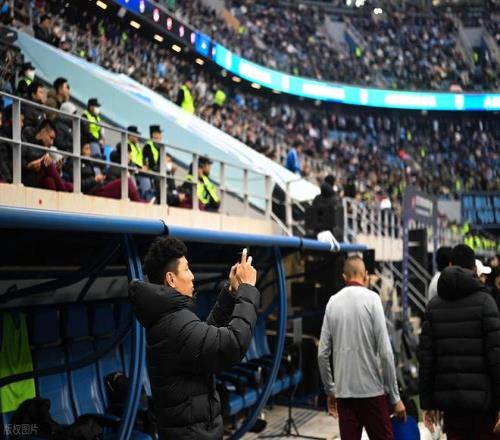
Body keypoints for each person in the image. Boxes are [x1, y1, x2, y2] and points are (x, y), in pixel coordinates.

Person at [129, 238, 260, 439]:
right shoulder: (174, 324)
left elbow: (205, 339)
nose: (192, 276)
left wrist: (231, 294)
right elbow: (233, 344)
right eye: (187, 269)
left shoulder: (171, 318)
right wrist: (247, 288)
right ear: (171, 279)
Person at [318, 255, 406, 440]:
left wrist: (331, 390)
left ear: (344, 277)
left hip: (344, 395)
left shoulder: (333, 302)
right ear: (365, 275)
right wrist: (395, 398)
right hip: (371, 392)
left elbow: (322, 353)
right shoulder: (373, 299)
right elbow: (385, 352)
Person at [418, 244, 500, 439]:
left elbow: (426, 359)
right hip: (484, 405)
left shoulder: (433, 307)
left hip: (451, 405)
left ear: (450, 265)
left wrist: (427, 403)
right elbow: (496, 357)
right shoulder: (486, 303)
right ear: (474, 268)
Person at [22, 119, 73, 192]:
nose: (52, 142)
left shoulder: (45, 148)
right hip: (27, 175)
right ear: (43, 132)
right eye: (51, 138)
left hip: (40, 178)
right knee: (47, 162)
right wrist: (29, 166)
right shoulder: (26, 140)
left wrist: (57, 168)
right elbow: (19, 161)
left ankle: (64, 193)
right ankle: (65, 192)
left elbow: (48, 173)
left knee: (51, 181)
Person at [311, 174, 344, 241]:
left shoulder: (317, 199)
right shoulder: (335, 200)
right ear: (333, 184)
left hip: (317, 233)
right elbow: (339, 221)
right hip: (331, 234)